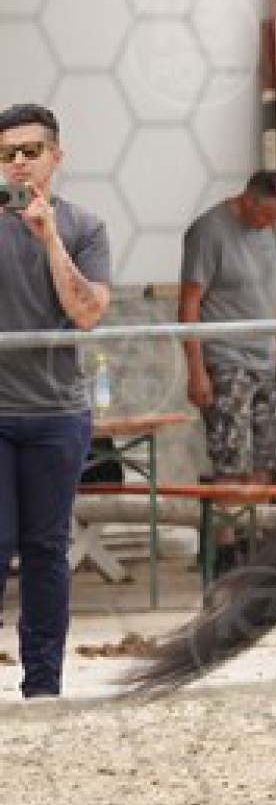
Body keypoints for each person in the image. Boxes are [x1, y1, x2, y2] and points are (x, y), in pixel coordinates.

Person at [0, 104, 110, 698]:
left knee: (46, 550)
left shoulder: (84, 227)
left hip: (56, 413)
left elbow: (87, 313)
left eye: (30, 151)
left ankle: (43, 685)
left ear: (55, 157)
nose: (19, 163)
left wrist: (50, 240)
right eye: (7, 154)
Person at [178, 171, 276, 569]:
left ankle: (255, 544)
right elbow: (189, 304)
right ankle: (226, 553)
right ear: (247, 199)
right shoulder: (209, 231)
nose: (266, 226)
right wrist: (197, 370)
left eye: (274, 220)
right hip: (226, 359)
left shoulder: (270, 233)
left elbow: (274, 298)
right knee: (232, 460)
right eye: (263, 216)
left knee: (266, 459)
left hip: (265, 358)